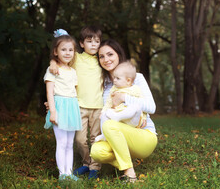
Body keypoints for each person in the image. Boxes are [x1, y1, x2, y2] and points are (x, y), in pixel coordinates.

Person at [90, 39, 158, 183]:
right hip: (116, 135)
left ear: (118, 55)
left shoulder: (136, 77)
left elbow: (151, 107)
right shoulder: (104, 85)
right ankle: (127, 164)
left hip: (143, 135)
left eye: (110, 54)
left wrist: (123, 97)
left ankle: (129, 173)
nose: (106, 59)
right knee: (96, 152)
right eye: (101, 56)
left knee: (109, 124)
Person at [48, 26, 103, 179]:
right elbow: (62, 54)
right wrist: (53, 62)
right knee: (79, 139)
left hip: (98, 106)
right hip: (78, 105)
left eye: (97, 41)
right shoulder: (76, 58)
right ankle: (86, 162)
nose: (93, 44)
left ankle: (94, 167)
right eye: (89, 41)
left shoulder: (101, 59)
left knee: (95, 139)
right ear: (82, 43)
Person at [43, 30, 81, 181]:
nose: (67, 53)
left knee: (70, 143)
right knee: (62, 142)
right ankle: (62, 174)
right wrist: (52, 111)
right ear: (55, 52)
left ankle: (69, 173)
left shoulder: (72, 71)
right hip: (59, 106)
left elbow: (74, 91)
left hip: (71, 107)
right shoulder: (53, 69)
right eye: (63, 49)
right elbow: (49, 92)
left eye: (70, 50)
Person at [95, 60, 146, 142]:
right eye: (114, 77)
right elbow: (108, 102)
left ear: (128, 80)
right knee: (105, 114)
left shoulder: (135, 89)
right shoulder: (114, 89)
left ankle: (118, 117)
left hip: (132, 120)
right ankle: (104, 135)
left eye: (118, 78)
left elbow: (142, 104)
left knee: (136, 106)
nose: (114, 80)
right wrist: (103, 111)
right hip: (119, 118)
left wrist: (144, 117)